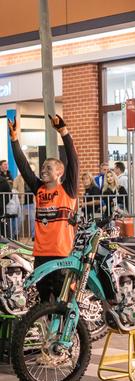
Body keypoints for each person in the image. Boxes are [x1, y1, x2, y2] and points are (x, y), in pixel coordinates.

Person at [8, 114, 78, 302]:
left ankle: (71, 331)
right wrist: (14, 140)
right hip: (40, 254)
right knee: (44, 303)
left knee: (65, 303)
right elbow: (24, 167)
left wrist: (64, 132)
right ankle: (47, 332)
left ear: (59, 172)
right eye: (42, 167)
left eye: (48, 168)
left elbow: (74, 161)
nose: (43, 170)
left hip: (63, 254)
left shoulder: (68, 189)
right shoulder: (38, 189)